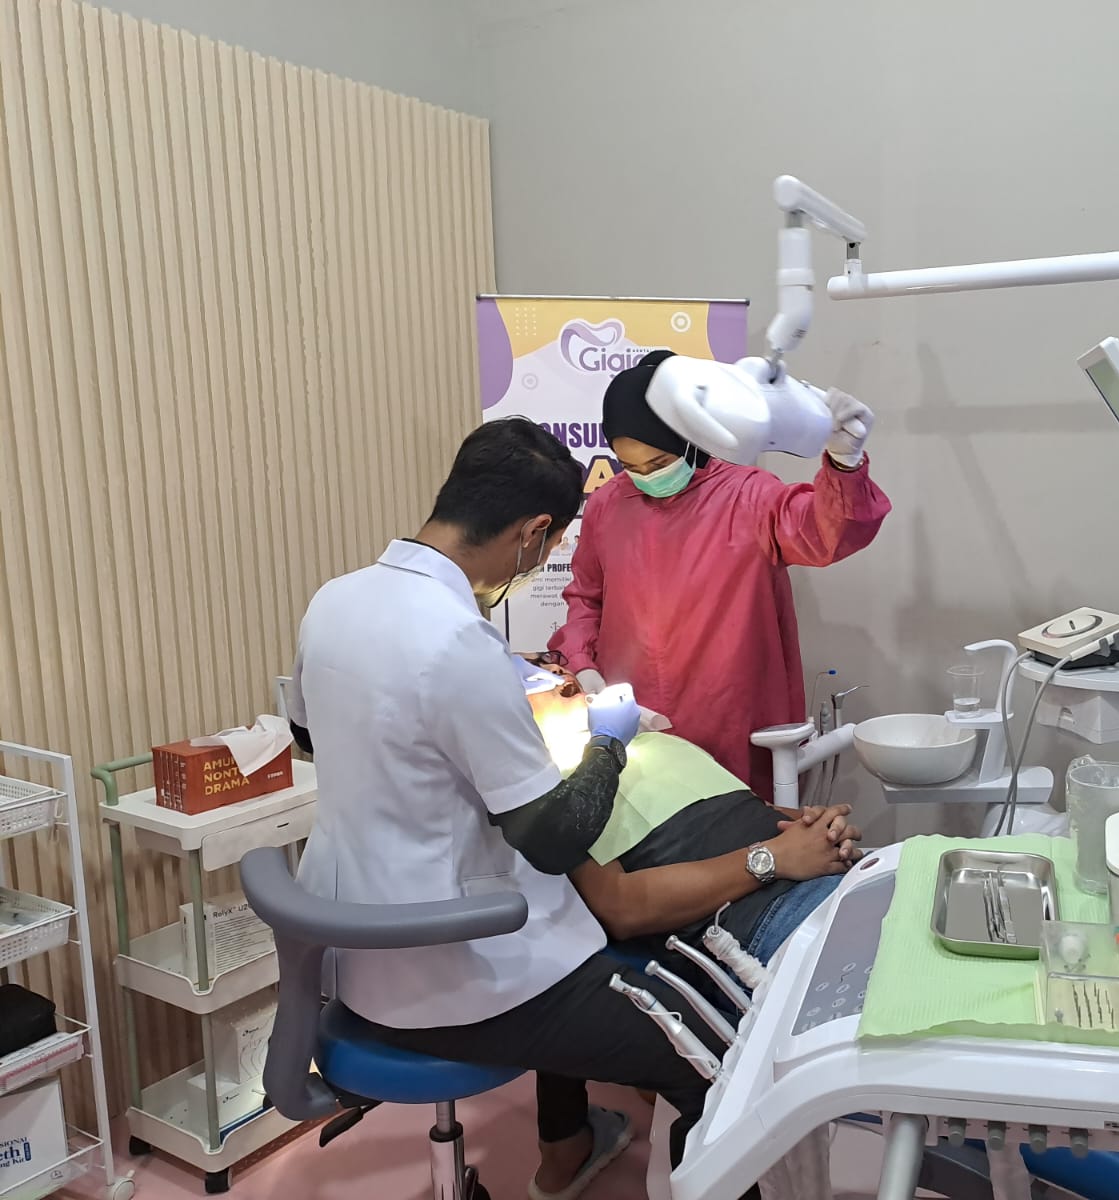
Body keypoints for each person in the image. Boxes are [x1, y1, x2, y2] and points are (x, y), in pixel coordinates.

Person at [285, 418, 757, 1200]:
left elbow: (309, 733)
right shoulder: (456, 642)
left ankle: (567, 1149)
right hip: (447, 971)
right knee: (714, 1051)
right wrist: (609, 739)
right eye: (551, 543)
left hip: (354, 950)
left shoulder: (336, 599)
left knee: (570, 932)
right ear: (535, 533)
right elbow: (553, 838)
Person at [548, 350, 892, 802]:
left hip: (730, 717)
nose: (646, 477)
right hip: (637, 719)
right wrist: (584, 665)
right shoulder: (608, 505)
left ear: (689, 440)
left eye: (659, 463)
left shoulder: (748, 496)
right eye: (630, 467)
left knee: (735, 826)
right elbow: (586, 598)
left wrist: (844, 463)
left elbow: (827, 533)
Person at [521, 680, 863, 963]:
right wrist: (772, 858)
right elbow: (621, 909)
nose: (556, 672)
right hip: (765, 922)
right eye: (533, 673)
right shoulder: (557, 795)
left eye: (555, 662)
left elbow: (757, 809)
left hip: (838, 882)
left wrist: (821, 829)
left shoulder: (658, 742)